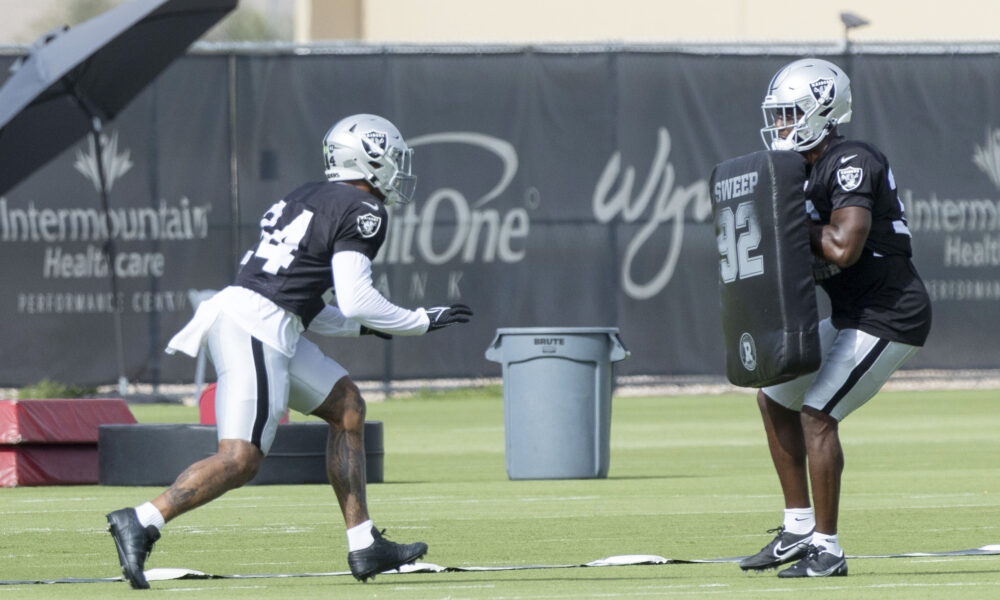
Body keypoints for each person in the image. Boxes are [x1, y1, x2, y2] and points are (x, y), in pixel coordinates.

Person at [105, 113, 473, 589]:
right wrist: (420, 320)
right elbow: (357, 300)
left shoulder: (306, 194)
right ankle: (142, 520)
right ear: (370, 158)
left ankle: (363, 543)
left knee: (347, 407)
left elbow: (306, 305)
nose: (399, 170)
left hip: (262, 319)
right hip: (255, 327)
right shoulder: (365, 209)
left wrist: (368, 329)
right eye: (394, 158)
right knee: (241, 459)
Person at [738, 58, 931, 578]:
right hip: (852, 314)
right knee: (774, 397)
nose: (781, 125)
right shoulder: (797, 173)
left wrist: (786, 220)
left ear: (823, 111)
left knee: (817, 412)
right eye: (777, 115)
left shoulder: (851, 160)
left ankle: (827, 549)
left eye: (789, 114)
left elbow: (844, 247)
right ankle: (798, 528)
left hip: (890, 315)